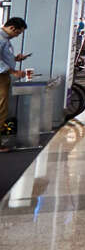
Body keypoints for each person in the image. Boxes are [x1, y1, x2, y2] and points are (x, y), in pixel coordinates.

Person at [0, 18, 33, 151]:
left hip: (3, 76)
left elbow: (3, 57)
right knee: (1, 108)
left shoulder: (5, 39)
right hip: (1, 77)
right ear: (12, 28)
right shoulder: (1, 39)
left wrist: (15, 59)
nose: (17, 36)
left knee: (2, 108)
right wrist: (13, 71)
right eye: (18, 33)